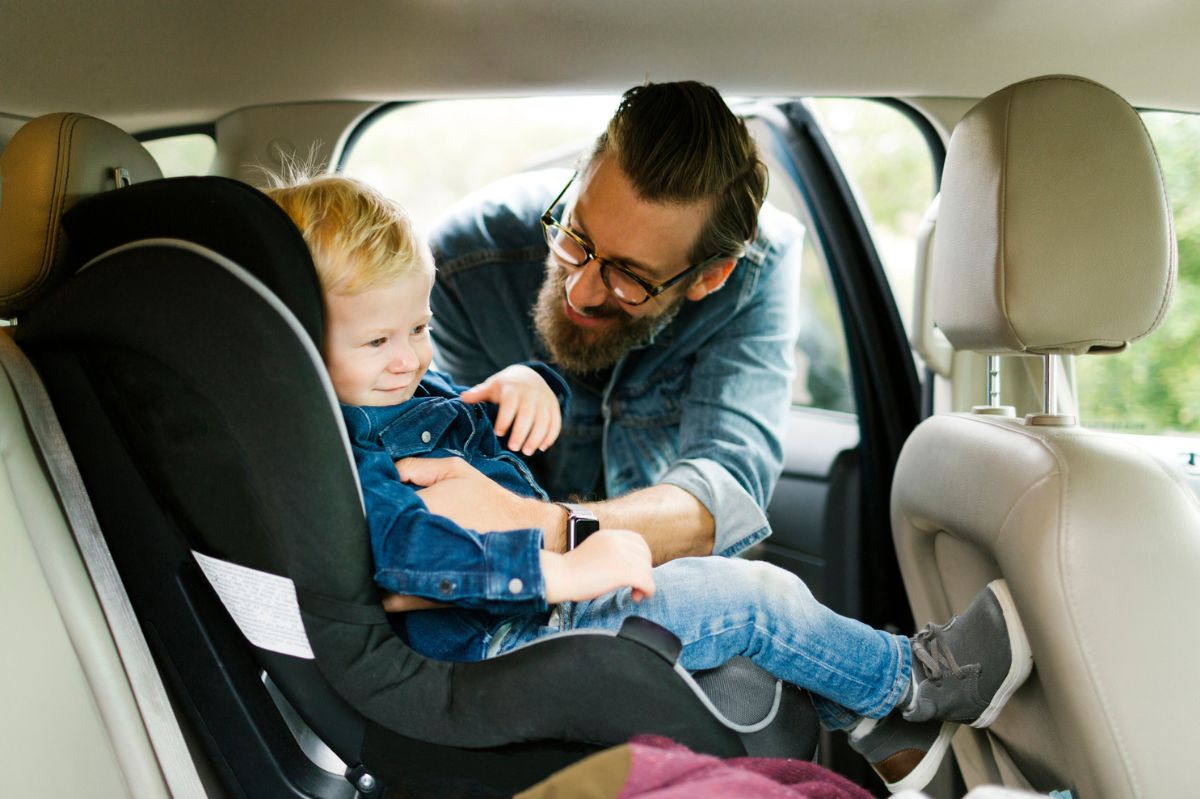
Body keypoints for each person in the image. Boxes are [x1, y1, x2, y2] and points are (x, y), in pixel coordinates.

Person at [265, 174, 1034, 793]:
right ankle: (921, 684)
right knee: (755, 600)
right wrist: (559, 564)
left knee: (754, 604)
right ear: (300, 342)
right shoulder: (355, 449)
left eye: (421, 327)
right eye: (378, 339)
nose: (409, 359)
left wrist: (533, 383)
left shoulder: (391, 393)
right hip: (505, 638)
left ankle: (882, 719)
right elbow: (406, 560)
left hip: (523, 613)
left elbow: (470, 416)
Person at [418, 80, 804, 564]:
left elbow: (724, 490)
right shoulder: (464, 262)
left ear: (710, 277)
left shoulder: (755, 274)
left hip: (664, 575)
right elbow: (449, 461)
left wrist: (554, 529)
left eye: (629, 276)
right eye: (576, 237)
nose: (579, 292)